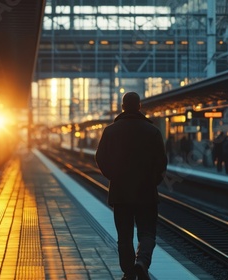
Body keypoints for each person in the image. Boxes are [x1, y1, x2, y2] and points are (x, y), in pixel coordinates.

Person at [95, 92, 167, 280]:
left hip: (120, 193)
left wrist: (113, 176)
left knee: (124, 235)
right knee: (147, 232)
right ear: (140, 106)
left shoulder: (110, 131)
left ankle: (128, 272)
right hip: (146, 192)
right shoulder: (152, 131)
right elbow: (162, 161)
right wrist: (153, 179)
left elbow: (100, 158)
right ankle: (142, 262)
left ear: (122, 107)